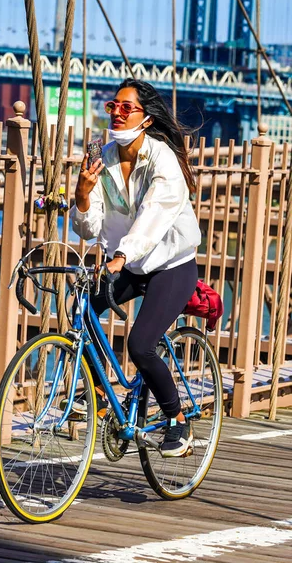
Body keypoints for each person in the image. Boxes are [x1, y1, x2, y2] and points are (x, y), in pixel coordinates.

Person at [70, 79, 201, 458]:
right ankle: (95, 392)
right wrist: (81, 195)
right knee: (83, 309)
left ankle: (178, 420)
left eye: (127, 107)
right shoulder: (100, 154)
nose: (117, 112)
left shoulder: (163, 159)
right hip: (127, 261)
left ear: (145, 118)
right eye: (113, 105)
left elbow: (154, 217)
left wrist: (122, 256)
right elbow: (89, 227)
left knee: (140, 345)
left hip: (170, 263)